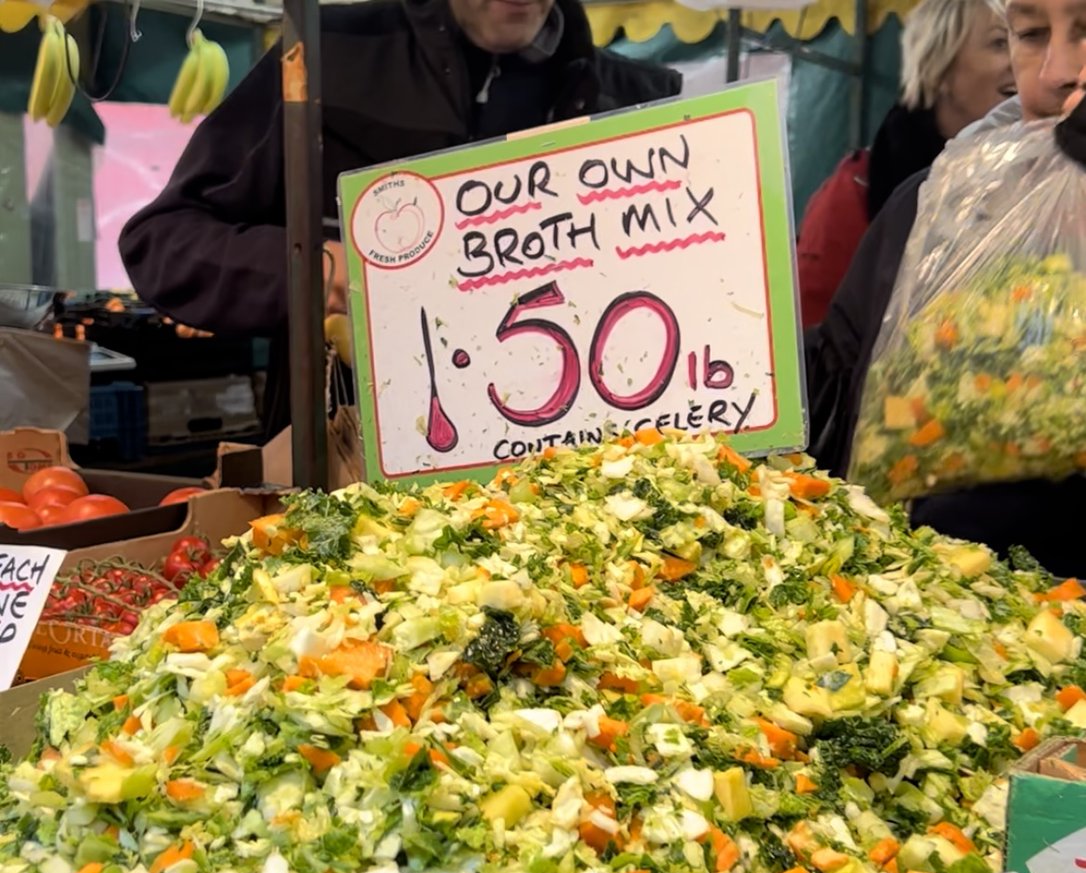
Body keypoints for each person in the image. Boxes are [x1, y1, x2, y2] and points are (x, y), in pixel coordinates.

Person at [119, 0, 681, 437]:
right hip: (351, 480)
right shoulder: (325, 51)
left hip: (574, 480)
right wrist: (305, 267)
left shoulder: (635, 103)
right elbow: (162, 241)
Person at [806, 0, 1086, 575]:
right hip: (928, 624)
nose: (1058, 70)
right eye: (1031, 34)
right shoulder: (928, 205)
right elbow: (834, 382)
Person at [796, 0, 1014, 327]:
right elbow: (809, 333)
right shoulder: (857, 190)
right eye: (1000, 43)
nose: (1022, 60)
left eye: (1026, 37)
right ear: (939, 66)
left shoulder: (1028, 177)